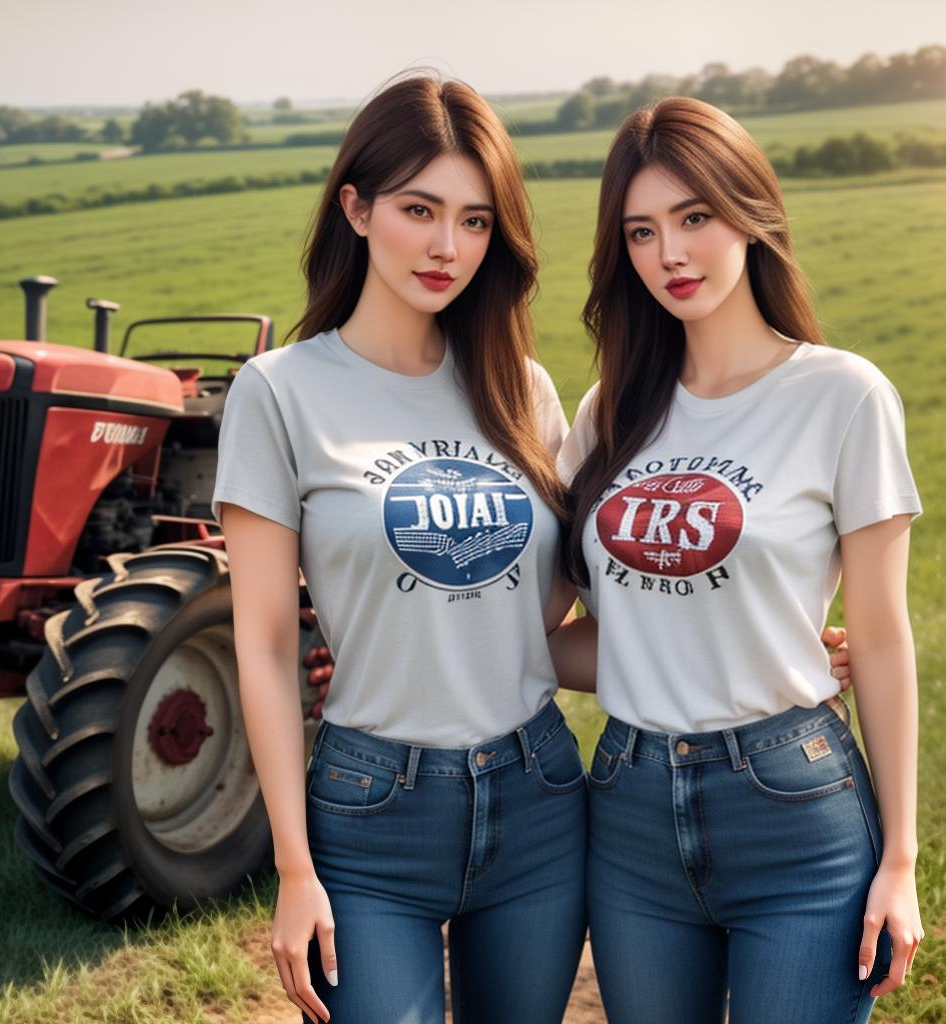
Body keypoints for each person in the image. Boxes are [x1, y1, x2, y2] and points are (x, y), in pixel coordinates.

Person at [212, 74, 588, 1024]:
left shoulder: (522, 388)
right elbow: (260, 646)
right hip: (369, 810)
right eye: (420, 210)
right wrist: (293, 870)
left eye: (472, 220)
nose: (446, 247)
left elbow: (545, 619)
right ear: (357, 207)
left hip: (537, 789)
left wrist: (774, 658)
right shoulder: (280, 392)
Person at [551, 96, 923, 1023]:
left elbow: (879, 640)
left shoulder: (842, 396)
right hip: (629, 807)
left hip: (793, 807)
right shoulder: (610, 411)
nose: (669, 254)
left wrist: (903, 862)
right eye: (641, 232)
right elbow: (575, 634)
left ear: (750, 215)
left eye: (694, 218)